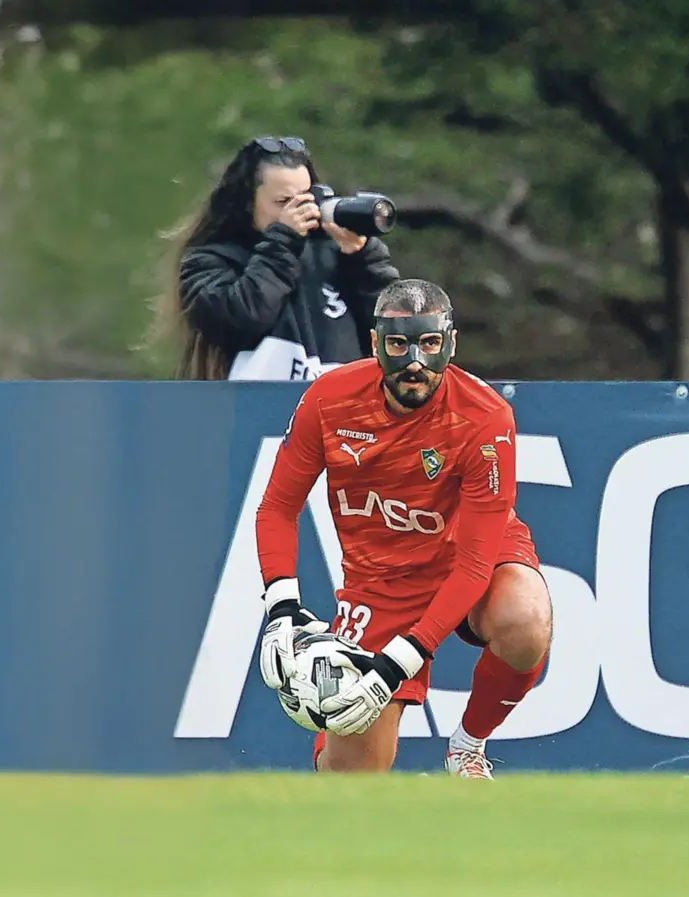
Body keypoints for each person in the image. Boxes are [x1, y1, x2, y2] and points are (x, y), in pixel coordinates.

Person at [253, 278, 553, 777]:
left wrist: (400, 662)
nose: (415, 362)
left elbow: (476, 562)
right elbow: (277, 507)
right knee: (351, 782)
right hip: (382, 581)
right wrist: (281, 607)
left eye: (430, 344)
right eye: (398, 345)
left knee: (524, 619)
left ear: (450, 344)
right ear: (375, 345)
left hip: (466, 555)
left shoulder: (484, 417)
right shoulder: (329, 399)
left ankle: (467, 747)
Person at [151, 135, 399, 381]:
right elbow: (241, 318)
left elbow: (392, 330)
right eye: (283, 201)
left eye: (304, 199)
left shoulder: (332, 254)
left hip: (338, 410)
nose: (296, 211)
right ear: (248, 203)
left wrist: (364, 261)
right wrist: (283, 242)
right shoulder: (210, 259)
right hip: (252, 409)